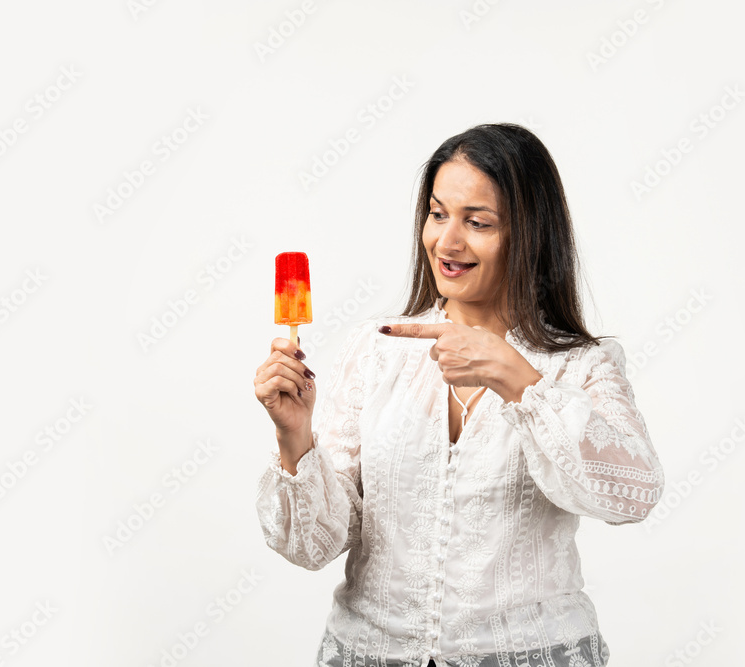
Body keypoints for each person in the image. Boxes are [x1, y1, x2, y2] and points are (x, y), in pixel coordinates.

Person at [254, 123, 665, 667]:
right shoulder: (378, 350)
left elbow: (632, 495)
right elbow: (314, 545)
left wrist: (518, 379)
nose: (447, 242)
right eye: (437, 213)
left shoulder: (578, 365)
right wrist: (295, 436)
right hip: (371, 651)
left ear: (530, 235)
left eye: (478, 222)